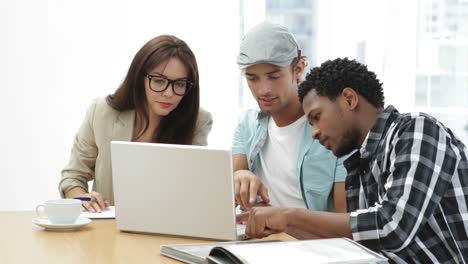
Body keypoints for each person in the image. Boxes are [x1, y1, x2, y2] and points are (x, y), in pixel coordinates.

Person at [238, 58, 468, 262]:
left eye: (317, 117)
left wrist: (289, 216)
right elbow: (357, 247)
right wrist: (277, 224)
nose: (315, 132)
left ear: (349, 99)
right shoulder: (359, 167)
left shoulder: (418, 130)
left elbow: (392, 228)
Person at [59, 35, 213, 213]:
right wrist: (83, 199)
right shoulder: (101, 113)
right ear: (140, 78)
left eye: (180, 84)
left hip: (168, 225)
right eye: (158, 81)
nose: (169, 93)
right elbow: (73, 176)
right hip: (109, 229)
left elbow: (194, 187)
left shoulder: (198, 120)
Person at [233, 21, 348, 215]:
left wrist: (285, 219)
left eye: (274, 76)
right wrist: (239, 175)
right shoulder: (247, 125)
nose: (263, 90)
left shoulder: (335, 130)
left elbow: (345, 224)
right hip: (257, 241)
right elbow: (229, 189)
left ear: (299, 68)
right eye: (252, 78)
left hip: (310, 242)